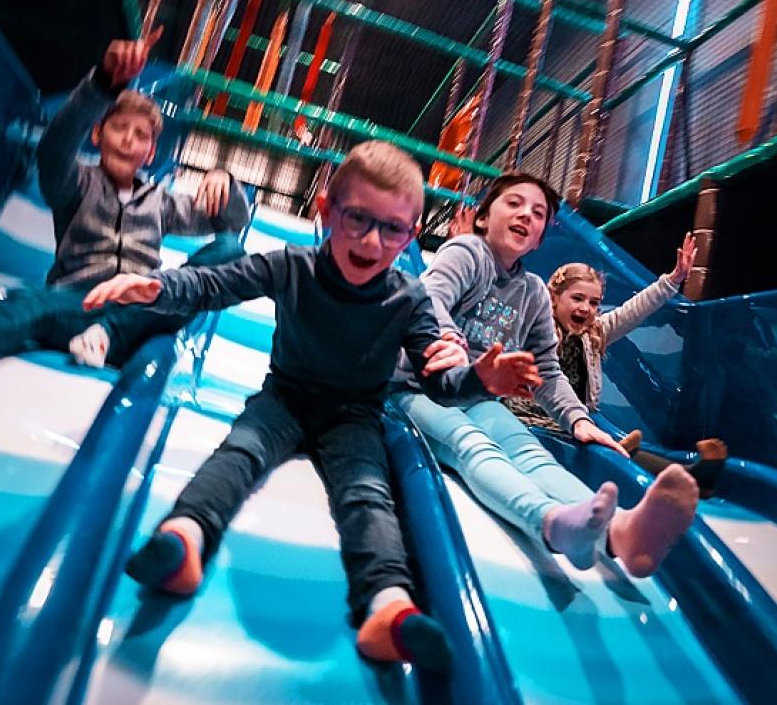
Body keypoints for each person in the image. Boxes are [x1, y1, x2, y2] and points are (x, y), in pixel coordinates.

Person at [87, 142, 539, 672]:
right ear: (326, 211)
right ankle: (185, 535)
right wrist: (157, 286)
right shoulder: (292, 266)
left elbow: (439, 381)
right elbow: (215, 283)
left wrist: (481, 379)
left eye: (392, 229)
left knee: (367, 494)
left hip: (354, 416)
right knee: (238, 453)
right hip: (285, 397)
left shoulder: (410, 298)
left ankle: (388, 604)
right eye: (357, 219)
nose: (371, 241)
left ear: (410, 236)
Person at [0, 28, 249, 374]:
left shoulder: (161, 203)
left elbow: (231, 223)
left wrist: (225, 181)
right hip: (79, 305)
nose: (128, 139)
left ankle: (109, 333)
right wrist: (101, 84)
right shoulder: (77, 184)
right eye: (119, 128)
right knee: (32, 303)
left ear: (151, 153)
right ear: (97, 135)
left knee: (230, 252)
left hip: (139, 311)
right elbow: (55, 148)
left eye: (140, 135)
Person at [391, 173, 699, 577]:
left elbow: (548, 372)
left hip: (478, 395)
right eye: (514, 203)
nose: (526, 215)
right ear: (483, 218)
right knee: (474, 445)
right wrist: (448, 339)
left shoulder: (533, 292)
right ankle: (550, 522)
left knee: (530, 453)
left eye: (538, 214)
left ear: (539, 239)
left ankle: (619, 531)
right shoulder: (467, 253)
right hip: (419, 387)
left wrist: (578, 420)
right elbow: (430, 297)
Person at [504, 238, 728, 498]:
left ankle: (690, 477)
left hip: (575, 422)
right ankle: (690, 478)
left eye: (594, 302)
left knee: (610, 448)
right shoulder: (535, 330)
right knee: (604, 452)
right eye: (577, 298)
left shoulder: (593, 333)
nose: (586, 308)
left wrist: (673, 279)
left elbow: (634, 310)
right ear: (553, 297)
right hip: (534, 423)